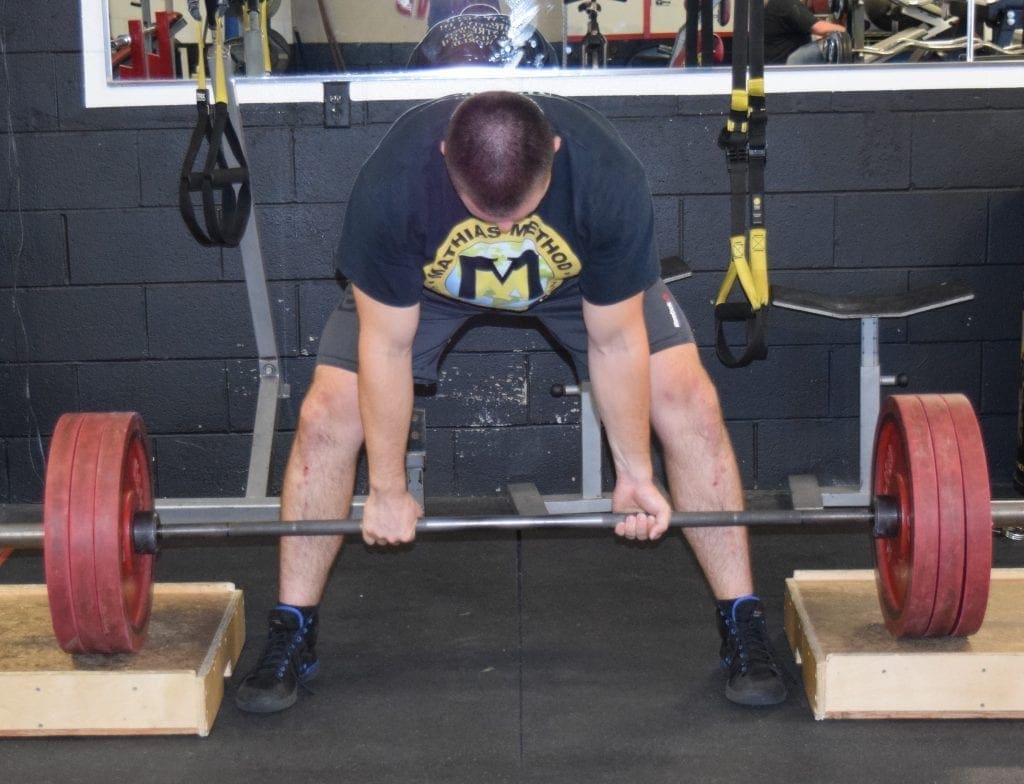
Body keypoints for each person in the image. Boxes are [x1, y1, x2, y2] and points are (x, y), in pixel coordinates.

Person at [233, 91, 788, 716]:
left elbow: (615, 340)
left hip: (574, 284)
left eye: (518, 212)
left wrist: (635, 472)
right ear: (444, 154)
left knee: (689, 399)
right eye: (482, 212)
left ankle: (741, 619)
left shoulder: (607, 174)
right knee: (326, 416)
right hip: (428, 287)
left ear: (556, 150)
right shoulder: (394, 183)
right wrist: (386, 487)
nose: (501, 233)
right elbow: (386, 347)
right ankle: (293, 626)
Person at [764, 0, 848, 63]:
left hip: (777, 64)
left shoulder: (778, 3)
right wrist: (847, 33)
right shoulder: (787, 3)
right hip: (785, 66)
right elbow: (819, 28)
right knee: (821, 47)